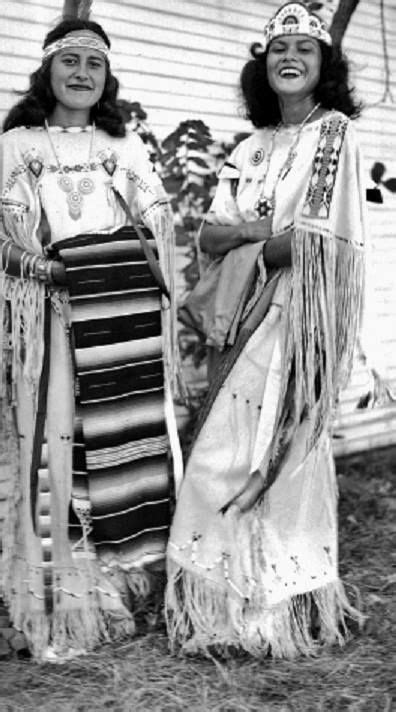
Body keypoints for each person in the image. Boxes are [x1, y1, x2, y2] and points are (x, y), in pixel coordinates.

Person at [166, 0, 366, 658]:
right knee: (219, 458)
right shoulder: (250, 147)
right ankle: (217, 609)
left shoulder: (334, 134)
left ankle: (274, 614)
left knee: (277, 461)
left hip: (297, 320)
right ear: (263, 65)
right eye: (278, 49)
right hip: (244, 318)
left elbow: (320, 244)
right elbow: (211, 233)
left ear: (324, 66)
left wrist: (253, 250)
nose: (289, 57)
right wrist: (259, 238)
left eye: (304, 50)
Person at [0, 17, 183, 661]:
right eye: (69, 60)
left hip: (117, 326)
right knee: (53, 452)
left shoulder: (123, 148)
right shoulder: (14, 145)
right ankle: (58, 597)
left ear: (107, 78)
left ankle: (115, 587)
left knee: (118, 446)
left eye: (94, 65)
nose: (81, 73)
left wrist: (104, 263)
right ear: (46, 70)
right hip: (48, 319)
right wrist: (45, 269)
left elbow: (160, 233)